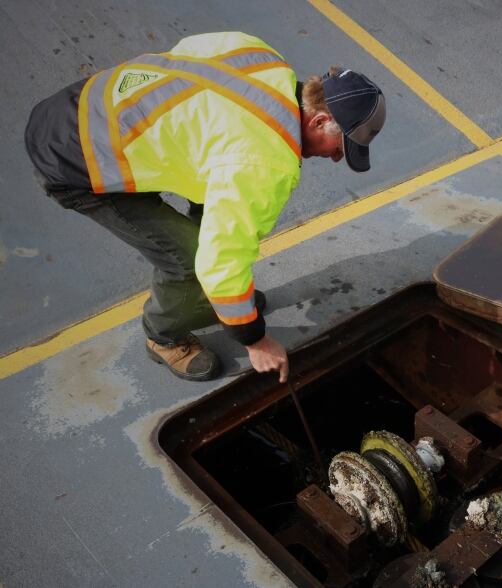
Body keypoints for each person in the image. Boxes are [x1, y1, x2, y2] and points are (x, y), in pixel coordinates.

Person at [25, 32, 385, 383]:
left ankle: (219, 305)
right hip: (76, 158)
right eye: (340, 146)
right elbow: (219, 261)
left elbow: (187, 57)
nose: (336, 158)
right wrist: (254, 339)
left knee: (212, 231)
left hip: (84, 105)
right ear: (319, 120)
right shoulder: (263, 163)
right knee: (186, 257)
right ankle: (163, 337)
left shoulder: (262, 58)